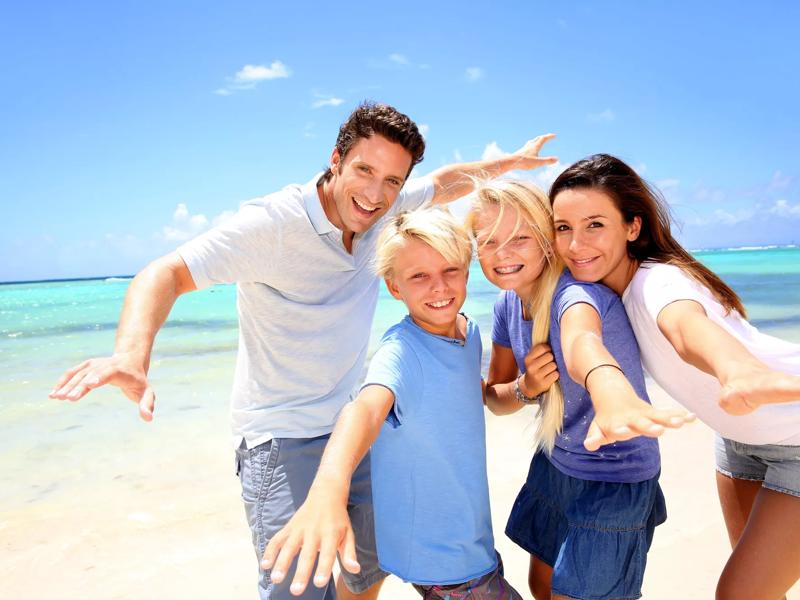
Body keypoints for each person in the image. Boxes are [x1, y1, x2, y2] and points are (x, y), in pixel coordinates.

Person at [49, 101, 558, 600]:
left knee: (367, 565)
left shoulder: (388, 211)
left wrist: (509, 164)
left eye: (393, 181)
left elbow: (447, 182)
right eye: (364, 170)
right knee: (297, 585)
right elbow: (166, 273)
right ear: (336, 159)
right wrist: (131, 356)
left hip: (348, 429)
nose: (376, 193)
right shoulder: (271, 225)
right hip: (280, 435)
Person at [548, 153, 800, 600]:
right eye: (563, 227)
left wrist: (737, 370)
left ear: (632, 227)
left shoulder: (659, 282)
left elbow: (685, 328)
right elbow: (581, 340)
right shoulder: (600, 292)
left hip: (793, 433)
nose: (575, 244)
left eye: (595, 225)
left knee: (740, 594)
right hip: (738, 439)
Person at [262, 206, 523, 599]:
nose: (439, 287)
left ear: (466, 271)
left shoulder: (469, 332)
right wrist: (328, 489)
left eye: (449, 270)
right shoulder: (400, 352)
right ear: (394, 287)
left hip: (463, 531)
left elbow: (469, 396)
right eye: (419, 276)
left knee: (360, 581)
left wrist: (526, 388)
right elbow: (364, 409)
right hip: (447, 556)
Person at [467, 180, 693, 600]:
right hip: (558, 461)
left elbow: (581, 342)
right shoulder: (506, 305)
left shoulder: (576, 294)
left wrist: (609, 385)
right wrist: (525, 387)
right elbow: (495, 397)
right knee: (543, 587)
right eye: (489, 241)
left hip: (615, 474)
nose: (503, 254)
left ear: (547, 241)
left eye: (520, 238)